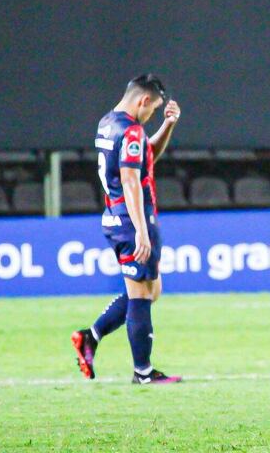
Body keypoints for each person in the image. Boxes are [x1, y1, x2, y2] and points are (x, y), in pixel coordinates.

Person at [71, 74, 183, 384]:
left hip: (116, 216)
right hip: (131, 219)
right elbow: (132, 179)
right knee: (142, 295)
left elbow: (145, 160)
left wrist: (168, 126)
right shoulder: (131, 131)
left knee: (149, 289)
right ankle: (143, 373)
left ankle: (91, 336)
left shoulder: (108, 122)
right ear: (143, 101)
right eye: (154, 110)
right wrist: (141, 231)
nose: (152, 116)